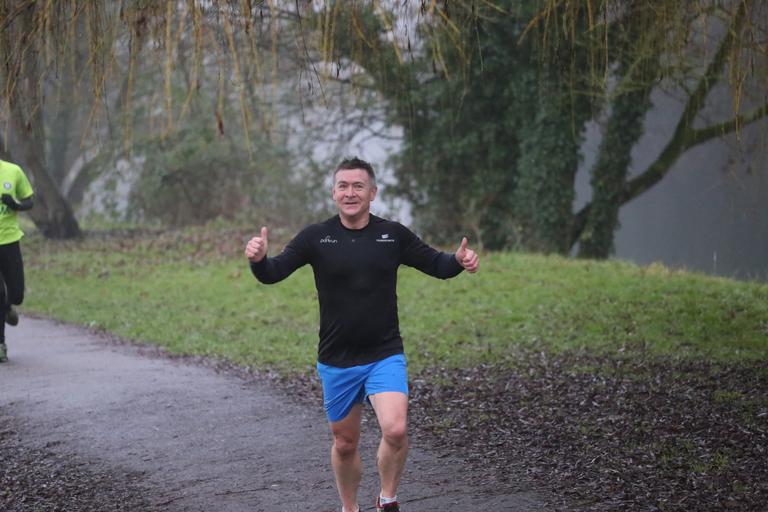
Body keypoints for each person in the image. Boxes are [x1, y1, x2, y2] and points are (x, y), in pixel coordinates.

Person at [245, 157, 479, 512]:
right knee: (345, 444)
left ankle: (387, 498)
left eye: (358, 186)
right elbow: (272, 273)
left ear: (373, 192)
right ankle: (350, 507)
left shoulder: (393, 235)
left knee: (395, 430)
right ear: (333, 193)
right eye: (343, 186)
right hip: (337, 358)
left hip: (384, 353)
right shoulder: (315, 237)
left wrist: (458, 261)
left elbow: (437, 264)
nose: (350, 193)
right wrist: (259, 260)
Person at [0, 158, 34, 363]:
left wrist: (15, 205)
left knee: (17, 294)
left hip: (10, 241)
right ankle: (1, 345)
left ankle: (7, 308)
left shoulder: (13, 171)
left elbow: (29, 201)